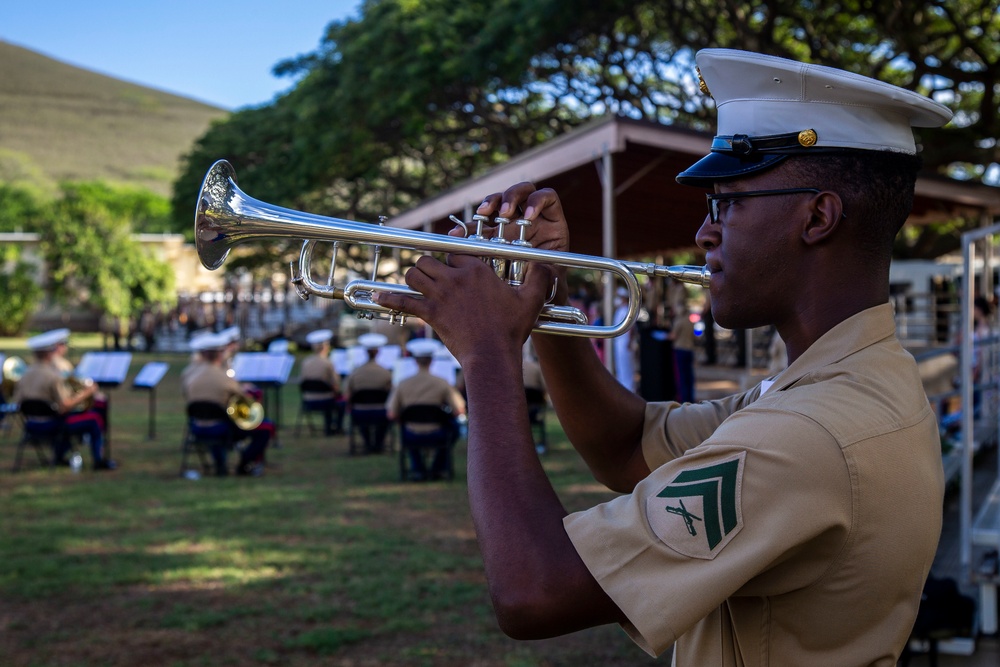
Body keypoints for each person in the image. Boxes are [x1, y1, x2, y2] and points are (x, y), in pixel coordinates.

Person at [374, 48, 950, 664]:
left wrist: (487, 355)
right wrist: (545, 304)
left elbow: (534, 592)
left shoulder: (810, 434)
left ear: (816, 216)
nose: (705, 232)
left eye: (725, 202)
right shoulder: (847, 381)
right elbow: (628, 449)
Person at [13, 328, 117, 470]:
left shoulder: (24, 374)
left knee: (69, 420)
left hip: (30, 424)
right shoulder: (53, 376)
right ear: (50, 353)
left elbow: (17, 402)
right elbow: (64, 406)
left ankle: (59, 456)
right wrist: (86, 393)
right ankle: (98, 461)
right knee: (94, 419)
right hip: (51, 425)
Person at [181, 332, 273, 476]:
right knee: (267, 427)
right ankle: (244, 464)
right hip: (220, 429)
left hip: (196, 428)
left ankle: (220, 464)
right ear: (219, 354)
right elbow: (243, 398)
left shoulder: (189, 374)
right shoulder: (223, 377)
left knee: (216, 417)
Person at [387, 338, 466, 481]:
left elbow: (392, 414)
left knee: (406, 430)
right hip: (437, 434)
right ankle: (438, 468)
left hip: (411, 435)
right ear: (432, 361)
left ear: (415, 361)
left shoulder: (403, 384)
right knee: (453, 430)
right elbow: (459, 410)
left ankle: (418, 469)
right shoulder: (442, 383)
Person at [343, 332, 394, 453]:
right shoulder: (385, 373)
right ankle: (378, 444)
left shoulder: (355, 373)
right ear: (378, 352)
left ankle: (368, 443)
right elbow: (392, 394)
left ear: (365, 352)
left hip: (360, 412)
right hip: (380, 413)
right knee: (384, 422)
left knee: (361, 420)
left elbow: (347, 395)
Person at [298, 328, 344, 435]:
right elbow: (336, 385)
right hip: (325, 401)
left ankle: (330, 426)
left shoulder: (305, 362)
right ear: (325, 347)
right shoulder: (328, 363)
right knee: (341, 403)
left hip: (308, 400)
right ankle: (336, 428)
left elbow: (302, 381)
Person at [669, 304, 696, 403]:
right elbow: (695, 336)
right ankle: (690, 398)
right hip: (689, 349)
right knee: (689, 377)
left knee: (681, 377)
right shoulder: (690, 321)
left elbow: (673, 336)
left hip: (680, 350)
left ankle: (683, 399)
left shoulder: (679, 321)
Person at [612, 286, 635, 390]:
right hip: (620, 342)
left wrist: (629, 341)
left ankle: (629, 389)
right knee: (621, 367)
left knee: (626, 368)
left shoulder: (626, 310)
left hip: (625, 342)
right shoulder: (620, 310)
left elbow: (631, 328)